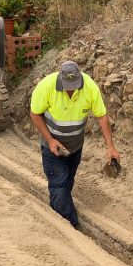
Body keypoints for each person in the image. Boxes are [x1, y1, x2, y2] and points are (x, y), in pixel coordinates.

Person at [29, 60, 120, 228]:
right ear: (60, 78)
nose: (71, 89)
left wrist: (111, 147)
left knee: (67, 182)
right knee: (59, 184)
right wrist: (50, 140)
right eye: (67, 86)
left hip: (75, 146)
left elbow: (102, 117)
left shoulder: (89, 87)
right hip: (53, 147)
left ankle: (58, 208)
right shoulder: (46, 86)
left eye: (74, 85)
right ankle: (68, 227)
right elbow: (35, 114)